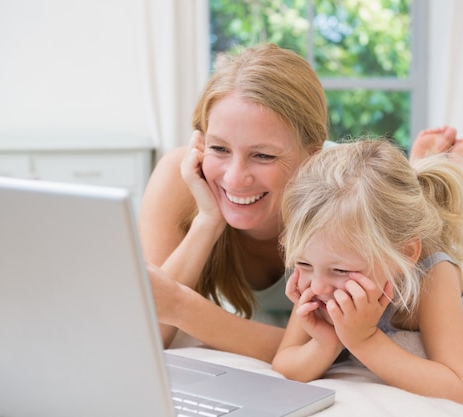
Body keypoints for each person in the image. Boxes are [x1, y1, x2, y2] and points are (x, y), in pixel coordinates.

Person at [271, 137, 463, 405]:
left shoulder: (435, 275)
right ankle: (416, 182)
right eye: (303, 264)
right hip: (402, 239)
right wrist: (327, 343)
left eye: (341, 270)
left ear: (405, 255)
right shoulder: (322, 275)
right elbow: (284, 363)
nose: (319, 286)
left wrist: (364, 340)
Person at [138, 43, 328, 363]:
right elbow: (147, 334)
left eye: (263, 155)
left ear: (312, 157)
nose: (235, 178)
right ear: (200, 144)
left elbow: (319, 351)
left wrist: (183, 307)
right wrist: (207, 221)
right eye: (219, 149)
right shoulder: (179, 179)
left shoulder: (341, 196)